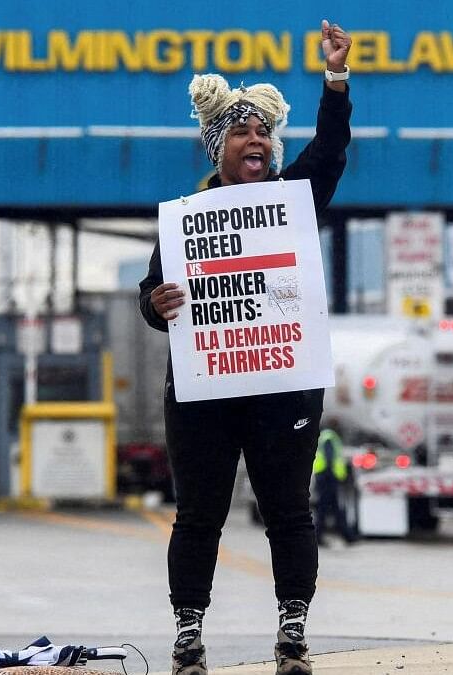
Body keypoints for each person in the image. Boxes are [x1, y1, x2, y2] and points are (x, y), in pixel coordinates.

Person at [138, 19, 351, 675]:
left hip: (283, 382)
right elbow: (150, 292)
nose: (256, 138)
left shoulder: (293, 200)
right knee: (197, 515)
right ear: (217, 148)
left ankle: (292, 634)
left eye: (263, 130)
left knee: (289, 509)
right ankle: (188, 635)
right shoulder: (187, 219)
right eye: (241, 130)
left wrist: (335, 78)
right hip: (205, 385)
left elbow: (334, 147)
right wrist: (157, 302)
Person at [313, 426, 356, 547]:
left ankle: (346, 535)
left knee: (328, 508)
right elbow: (329, 458)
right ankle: (346, 535)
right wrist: (333, 475)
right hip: (328, 478)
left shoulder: (324, 436)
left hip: (324, 478)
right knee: (327, 508)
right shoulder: (330, 437)